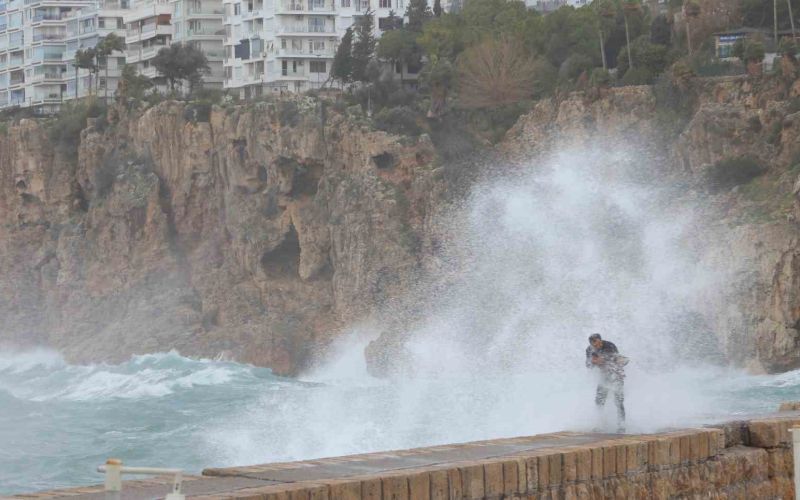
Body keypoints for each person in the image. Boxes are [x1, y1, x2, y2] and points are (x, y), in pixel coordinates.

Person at [585, 333, 627, 433]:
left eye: (598, 343)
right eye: (594, 344)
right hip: (604, 377)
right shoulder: (589, 350)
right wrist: (593, 362)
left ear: (601, 340)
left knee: (618, 402)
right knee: (599, 401)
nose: (597, 346)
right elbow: (588, 365)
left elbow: (617, 360)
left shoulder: (609, 345)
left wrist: (603, 360)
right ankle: (599, 425)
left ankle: (621, 426)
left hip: (616, 376)